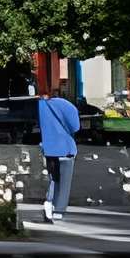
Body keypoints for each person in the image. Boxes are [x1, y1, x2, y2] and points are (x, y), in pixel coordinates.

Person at [36, 88, 80, 224]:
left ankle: (49, 203)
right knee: (64, 182)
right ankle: (59, 210)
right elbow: (75, 126)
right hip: (66, 148)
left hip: (49, 149)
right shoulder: (66, 105)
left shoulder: (41, 106)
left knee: (53, 179)